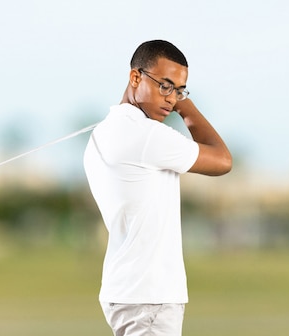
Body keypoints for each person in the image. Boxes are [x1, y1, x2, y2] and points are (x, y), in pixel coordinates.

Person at [83, 39, 232, 336]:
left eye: (179, 91)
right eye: (165, 86)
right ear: (135, 77)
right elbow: (222, 160)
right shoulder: (147, 135)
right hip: (148, 298)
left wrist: (175, 97)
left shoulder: (101, 134)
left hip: (130, 291)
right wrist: (187, 108)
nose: (172, 99)